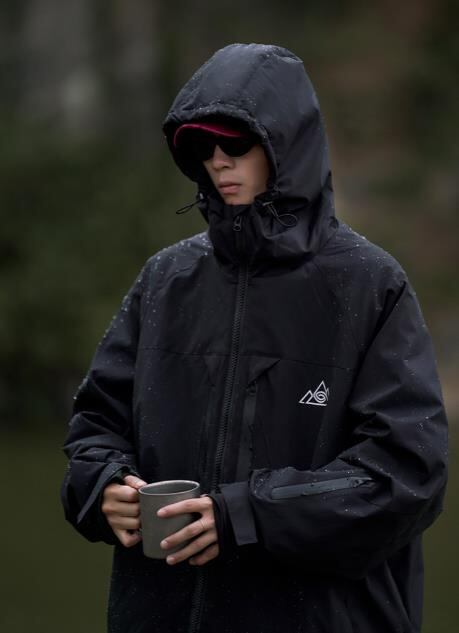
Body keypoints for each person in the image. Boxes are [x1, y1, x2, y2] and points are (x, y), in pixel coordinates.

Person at [61, 43, 448, 633]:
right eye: (200, 147)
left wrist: (243, 516)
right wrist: (101, 487)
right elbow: (95, 425)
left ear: (284, 144)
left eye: (235, 143)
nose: (218, 162)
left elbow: (406, 474)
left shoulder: (372, 284)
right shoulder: (165, 279)